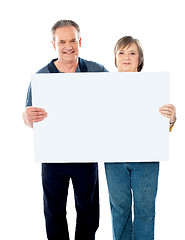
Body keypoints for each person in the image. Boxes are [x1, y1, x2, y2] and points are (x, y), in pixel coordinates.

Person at [22, 20, 108, 240]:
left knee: (89, 211)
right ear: (54, 44)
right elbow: (30, 117)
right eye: (62, 41)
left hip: (86, 154)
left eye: (72, 40)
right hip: (53, 156)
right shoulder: (41, 77)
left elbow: (120, 94)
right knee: (54, 211)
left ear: (80, 41)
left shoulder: (96, 71)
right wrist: (25, 116)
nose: (68, 46)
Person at [104, 36, 176, 240]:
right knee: (119, 211)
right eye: (121, 52)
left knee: (145, 212)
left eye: (132, 53)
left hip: (146, 160)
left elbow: (160, 127)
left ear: (140, 59)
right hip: (114, 159)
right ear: (115, 58)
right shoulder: (102, 86)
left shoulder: (153, 86)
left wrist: (170, 119)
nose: (126, 57)